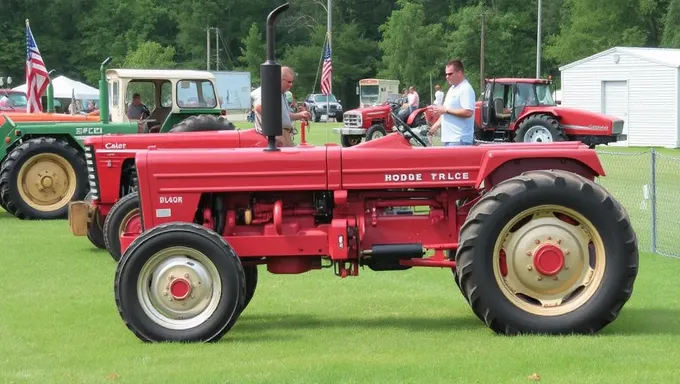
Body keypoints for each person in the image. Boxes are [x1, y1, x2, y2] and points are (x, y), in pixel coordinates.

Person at [251, 66, 311, 147]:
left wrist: (300, 115)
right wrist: (275, 132)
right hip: (276, 136)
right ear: (279, 79)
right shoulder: (269, 90)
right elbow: (259, 107)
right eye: (289, 82)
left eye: (292, 82)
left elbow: (283, 116)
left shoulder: (281, 93)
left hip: (283, 134)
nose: (291, 85)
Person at [428, 59, 476, 146]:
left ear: (459, 73)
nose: (447, 76)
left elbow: (468, 112)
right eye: (446, 74)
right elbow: (445, 112)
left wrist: (446, 110)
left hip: (460, 139)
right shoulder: (452, 89)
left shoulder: (465, 88)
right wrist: (433, 128)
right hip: (450, 139)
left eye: (450, 74)